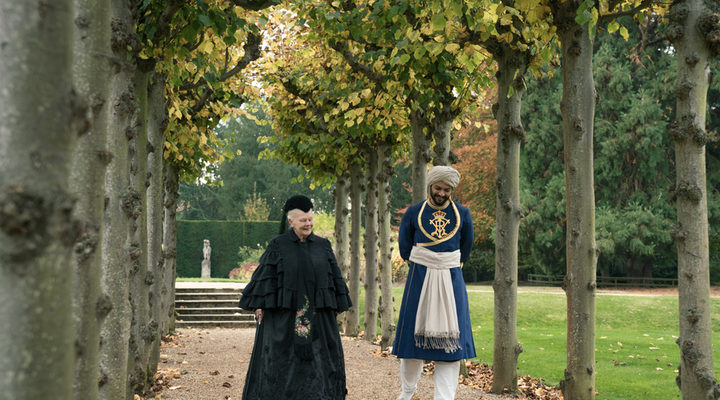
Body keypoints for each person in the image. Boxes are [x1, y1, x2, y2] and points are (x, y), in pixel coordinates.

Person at [239, 195, 352, 399]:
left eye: (310, 219)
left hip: (319, 325)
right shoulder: (278, 246)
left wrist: (333, 308)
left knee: (319, 371)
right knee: (282, 370)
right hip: (284, 323)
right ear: (291, 222)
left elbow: (334, 282)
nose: (308, 224)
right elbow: (266, 280)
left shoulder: (323, 246)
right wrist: (259, 306)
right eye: (303, 220)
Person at [392, 166, 475, 400]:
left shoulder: (464, 214)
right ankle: (407, 393)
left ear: (451, 190)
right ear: (430, 186)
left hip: (452, 279)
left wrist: (443, 264)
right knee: (411, 343)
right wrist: (426, 263)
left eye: (446, 189)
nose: (441, 193)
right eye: (438, 188)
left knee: (452, 346)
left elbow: (465, 249)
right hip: (419, 279)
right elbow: (404, 247)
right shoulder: (413, 212)